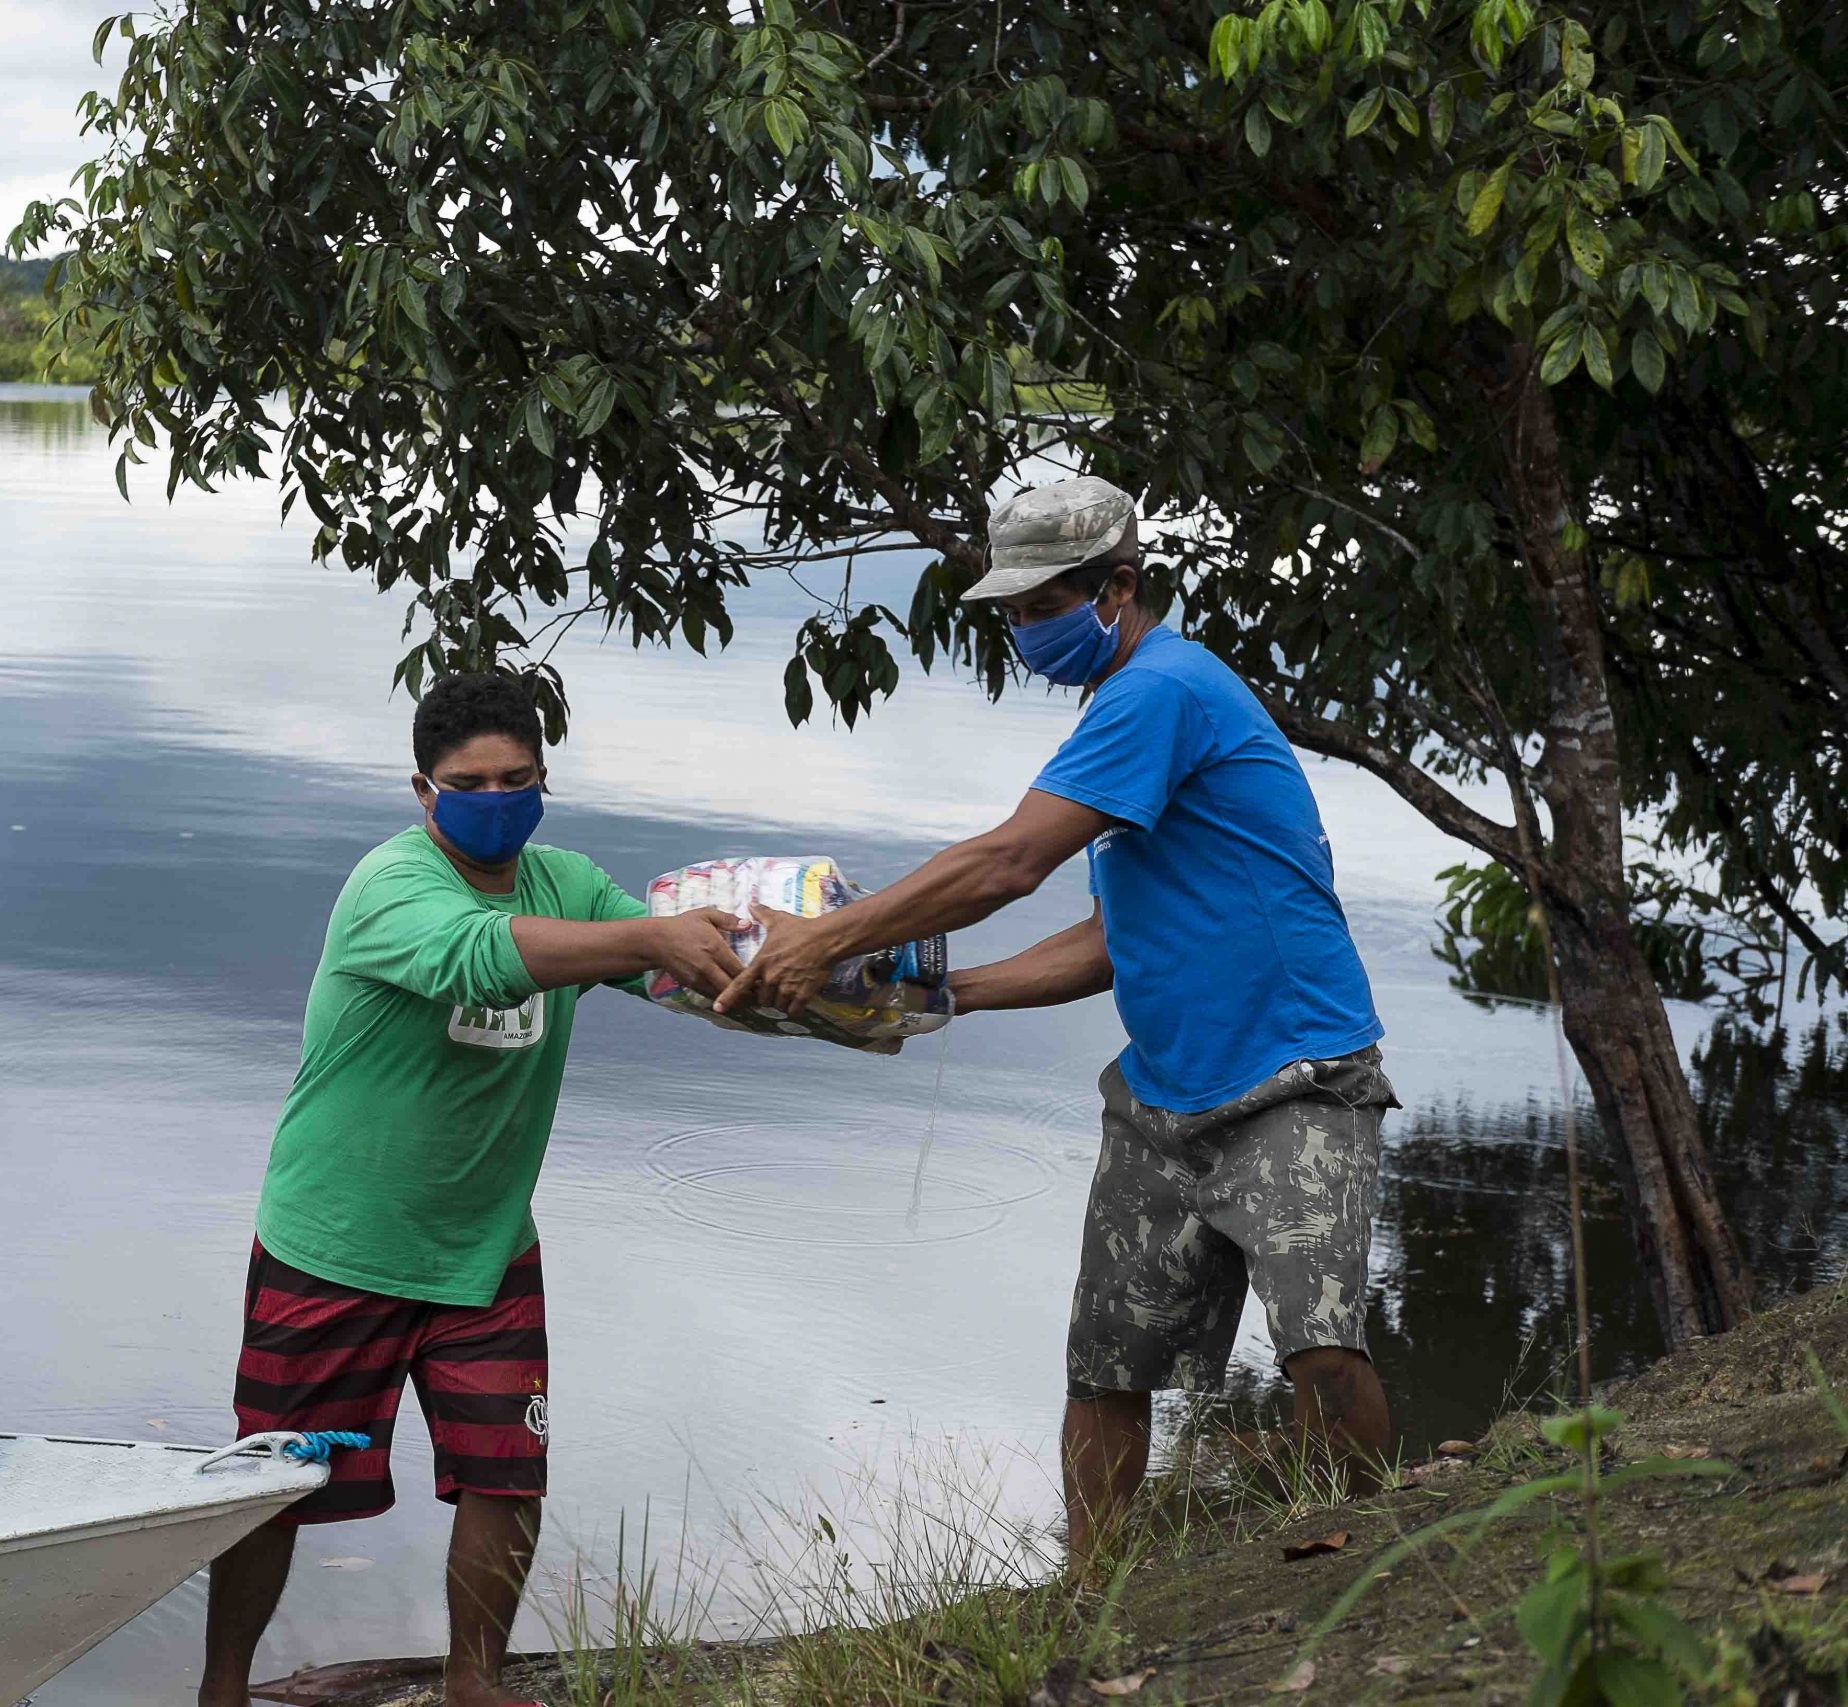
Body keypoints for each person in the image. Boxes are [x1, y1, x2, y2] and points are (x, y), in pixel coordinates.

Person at [716, 476, 1398, 1561]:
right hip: (1166, 1087)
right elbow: (1109, 938)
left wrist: (828, 939)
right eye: (1014, 614)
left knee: (1319, 1345)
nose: (1025, 630)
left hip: (1295, 1071)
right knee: (1106, 1366)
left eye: (1044, 607)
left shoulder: (1158, 691)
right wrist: (940, 993)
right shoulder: (1127, 707)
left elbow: (1008, 859)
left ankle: (1370, 1548)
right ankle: (1091, 1591)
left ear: (1118, 588)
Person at [201, 671, 744, 1707]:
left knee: (508, 1474)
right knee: (275, 1488)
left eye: (517, 777)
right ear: (423, 789)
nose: (495, 797)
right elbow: (482, 959)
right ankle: (220, 1689)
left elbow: (672, 970)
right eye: (470, 781)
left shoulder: (569, 885)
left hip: (485, 1247)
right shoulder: (390, 887)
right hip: (336, 1242)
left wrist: (794, 962)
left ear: (544, 779)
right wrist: (645, 939)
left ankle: (473, 1684)